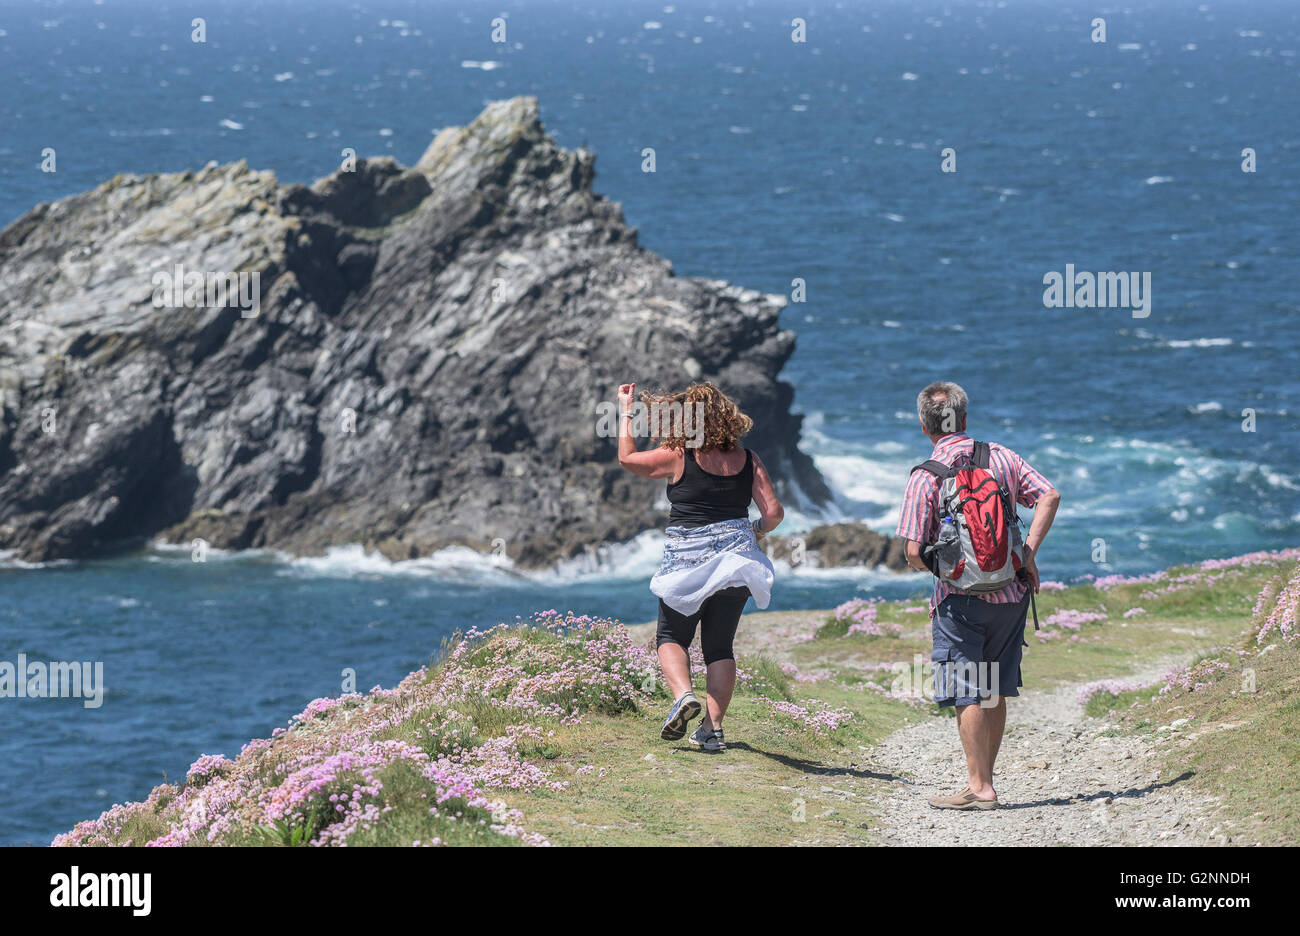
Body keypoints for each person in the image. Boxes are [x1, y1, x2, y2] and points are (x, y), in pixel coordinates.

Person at [896, 381, 1060, 809]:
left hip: (959, 601)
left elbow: (913, 553)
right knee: (994, 688)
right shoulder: (1001, 457)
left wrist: (946, 568)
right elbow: (1049, 495)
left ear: (923, 426)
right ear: (964, 419)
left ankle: (979, 787)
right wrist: (1026, 553)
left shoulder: (926, 476)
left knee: (967, 688)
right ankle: (986, 779)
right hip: (1010, 594)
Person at [615, 380, 784, 752]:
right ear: (726, 417)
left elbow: (628, 460)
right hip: (738, 564)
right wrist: (754, 530)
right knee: (719, 647)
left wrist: (626, 410)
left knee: (671, 636)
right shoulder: (747, 458)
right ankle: (712, 730)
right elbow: (773, 514)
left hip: (687, 566)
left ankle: (683, 697)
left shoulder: (679, 453)